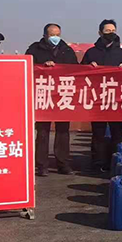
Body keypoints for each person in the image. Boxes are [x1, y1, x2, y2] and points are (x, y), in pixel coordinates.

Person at [25, 23, 79, 176]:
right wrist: (43, 66)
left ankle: (63, 164)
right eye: (52, 35)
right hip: (43, 95)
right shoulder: (34, 49)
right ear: (45, 35)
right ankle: (42, 165)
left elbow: (76, 70)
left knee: (63, 131)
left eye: (57, 34)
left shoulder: (67, 50)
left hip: (62, 95)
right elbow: (27, 67)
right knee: (42, 131)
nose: (55, 37)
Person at [80, 19, 122, 173]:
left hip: (117, 99)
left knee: (117, 132)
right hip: (98, 99)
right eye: (107, 31)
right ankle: (97, 162)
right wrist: (88, 67)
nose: (111, 33)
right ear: (100, 32)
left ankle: (115, 161)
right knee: (98, 133)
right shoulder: (91, 53)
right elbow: (79, 73)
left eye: (113, 30)